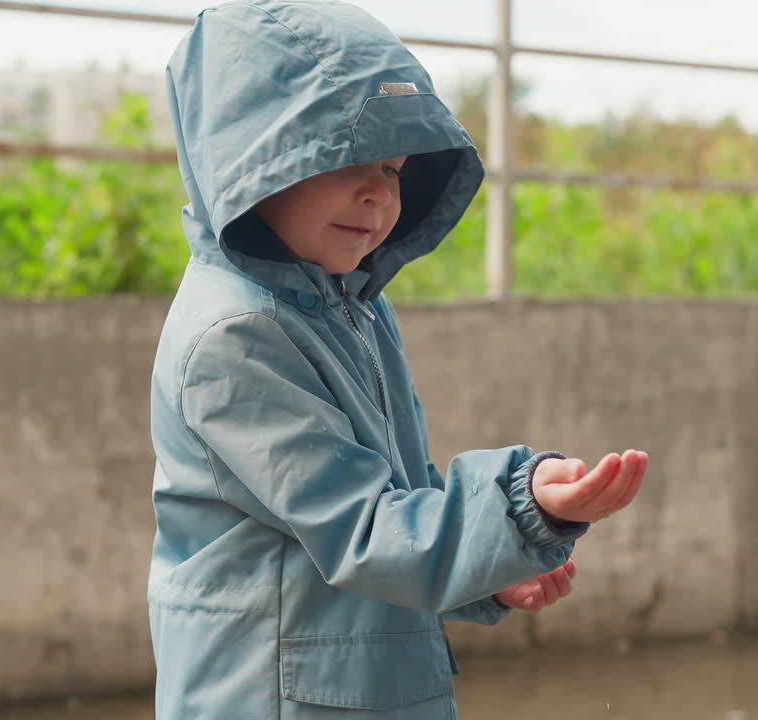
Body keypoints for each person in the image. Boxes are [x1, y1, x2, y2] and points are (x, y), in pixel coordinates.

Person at [148, 1, 649, 718]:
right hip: (273, 697)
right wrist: (520, 506)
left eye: (392, 167)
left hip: (354, 684)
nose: (379, 193)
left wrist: (487, 570)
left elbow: (396, 498)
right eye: (344, 159)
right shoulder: (234, 338)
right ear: (253, 163)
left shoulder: (349, 303)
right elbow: (362, 529)